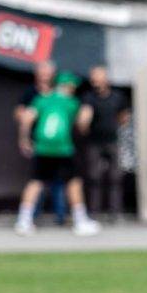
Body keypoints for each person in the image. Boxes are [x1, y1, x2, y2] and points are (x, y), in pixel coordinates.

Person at [15, 71, 100, 236]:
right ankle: (80, 221)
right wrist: (86, 118)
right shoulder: (71, 103)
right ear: (68, 86)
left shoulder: (42, 99)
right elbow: (83, 122)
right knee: (73, 182)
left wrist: (24, 139)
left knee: (36, 182)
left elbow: (26, 118)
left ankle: (23, 221)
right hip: (62, 148)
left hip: (43, 148)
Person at [77, 65, 130, 222]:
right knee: (94, 177)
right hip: (94, 142)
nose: (95, 82)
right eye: (93, 79)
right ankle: (94, 212)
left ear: (105, 79)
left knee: (115, 178)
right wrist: (83, 124)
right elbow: (83, 119)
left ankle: (115, 212)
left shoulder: (117, 96)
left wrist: (118, 125)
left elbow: (124, 116)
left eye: (98, 78)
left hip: (113, 141)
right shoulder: (88, 97)